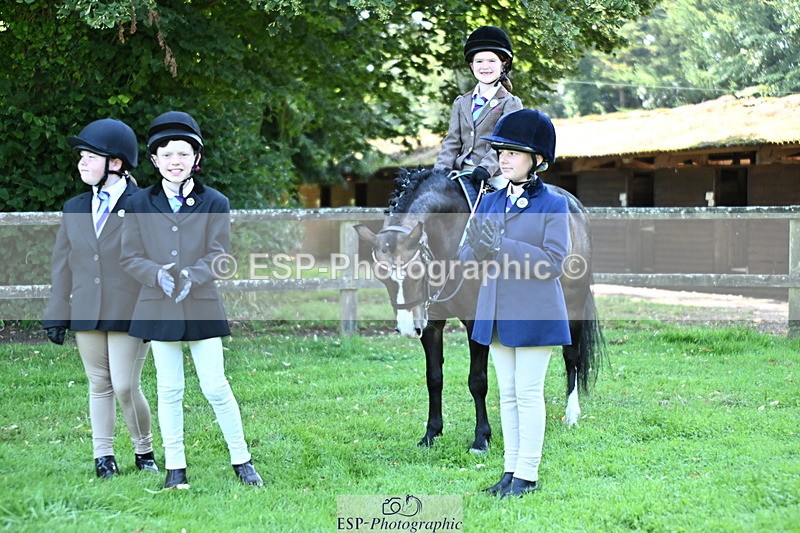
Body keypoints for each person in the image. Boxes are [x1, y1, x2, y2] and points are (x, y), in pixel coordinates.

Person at [120, 111, 263, 489]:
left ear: (196, 159)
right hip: (158, 302)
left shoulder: (215, 201)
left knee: (215, 385)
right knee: (169, 388)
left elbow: (220, 255)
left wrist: (191, 275)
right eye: (166, 155)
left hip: (200, 301)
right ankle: (175, 468)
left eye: (183, 154)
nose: (175, 161)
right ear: (154, 160)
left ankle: (241, 458)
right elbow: (129, 256)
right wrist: (157, 274)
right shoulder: (138, 203)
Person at [463, 109, 572, 497]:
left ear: (536, 160)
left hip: (535, 311)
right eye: (501, 152)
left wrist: (501, 246)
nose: (503, 158)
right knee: (506, 394)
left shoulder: (554, 204)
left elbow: (555, 262)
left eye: (513, 152)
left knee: (527, 392)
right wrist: (475, 248)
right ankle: (509, 470)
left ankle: (529, 473)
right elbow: (466, 254)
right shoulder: (489, 201)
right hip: (496, 311)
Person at [42, 118, 158, 479]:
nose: (82, 163)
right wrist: (57, 311)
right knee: (99, 383)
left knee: (124, 384)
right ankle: (103, 457)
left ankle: (144, 450)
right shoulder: (74, 207)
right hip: (87, 308)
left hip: (130, 310)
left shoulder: (144, 203)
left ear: (117, 163)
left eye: (91, 156)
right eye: (81, 156)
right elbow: (63, 263)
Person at [434, 25, 523, 189]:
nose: (485, 66)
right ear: (472, 65)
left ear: (503, 64)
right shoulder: (462, 102)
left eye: (491, 61)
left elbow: (506, 143)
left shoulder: (510, 102)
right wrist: (439, 173)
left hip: (495, 174)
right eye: (479, 61)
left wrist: (486, 168)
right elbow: (452, 142)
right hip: (461, 172)